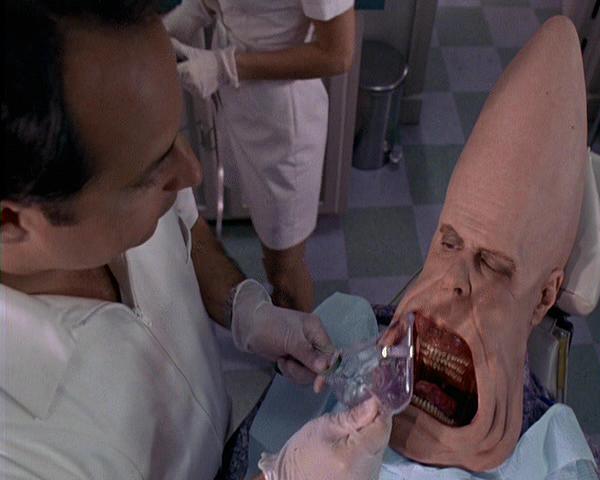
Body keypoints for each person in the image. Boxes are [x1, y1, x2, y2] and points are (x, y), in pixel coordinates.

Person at [0, 1, 389, 479]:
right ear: (11, 220)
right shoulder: (20, 448)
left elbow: (183, 229)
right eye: (151, 172)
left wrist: (246, 309)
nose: (191, 173)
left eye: (175, 137)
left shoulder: (118, 175)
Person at [244, 16, 600, 480]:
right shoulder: (344, 330)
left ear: (544, 296)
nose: (454, 281)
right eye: (449, 242)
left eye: (494, 266)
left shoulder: (555, 462)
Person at [162, 0, 356, 313]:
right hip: (238, 103)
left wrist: (225, 67)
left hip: (281, 125)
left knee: (284, 268)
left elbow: (338, 54)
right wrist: (182, 20)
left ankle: (301, 337)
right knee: (267, 238)